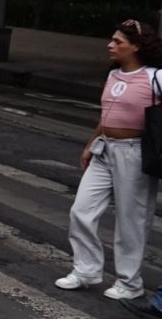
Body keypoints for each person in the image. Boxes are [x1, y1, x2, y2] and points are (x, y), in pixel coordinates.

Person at [57, 19, 162, 300]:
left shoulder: (155, 77)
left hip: (136, 152)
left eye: (118, 42)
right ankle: (87, 270)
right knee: (81, 210)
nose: (111, 45)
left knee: (132, 219)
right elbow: (106, 116)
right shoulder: (114, 74)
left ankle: (130, 283)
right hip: (106, 149)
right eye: (112, 40)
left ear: (136, 47)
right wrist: (91, 144)